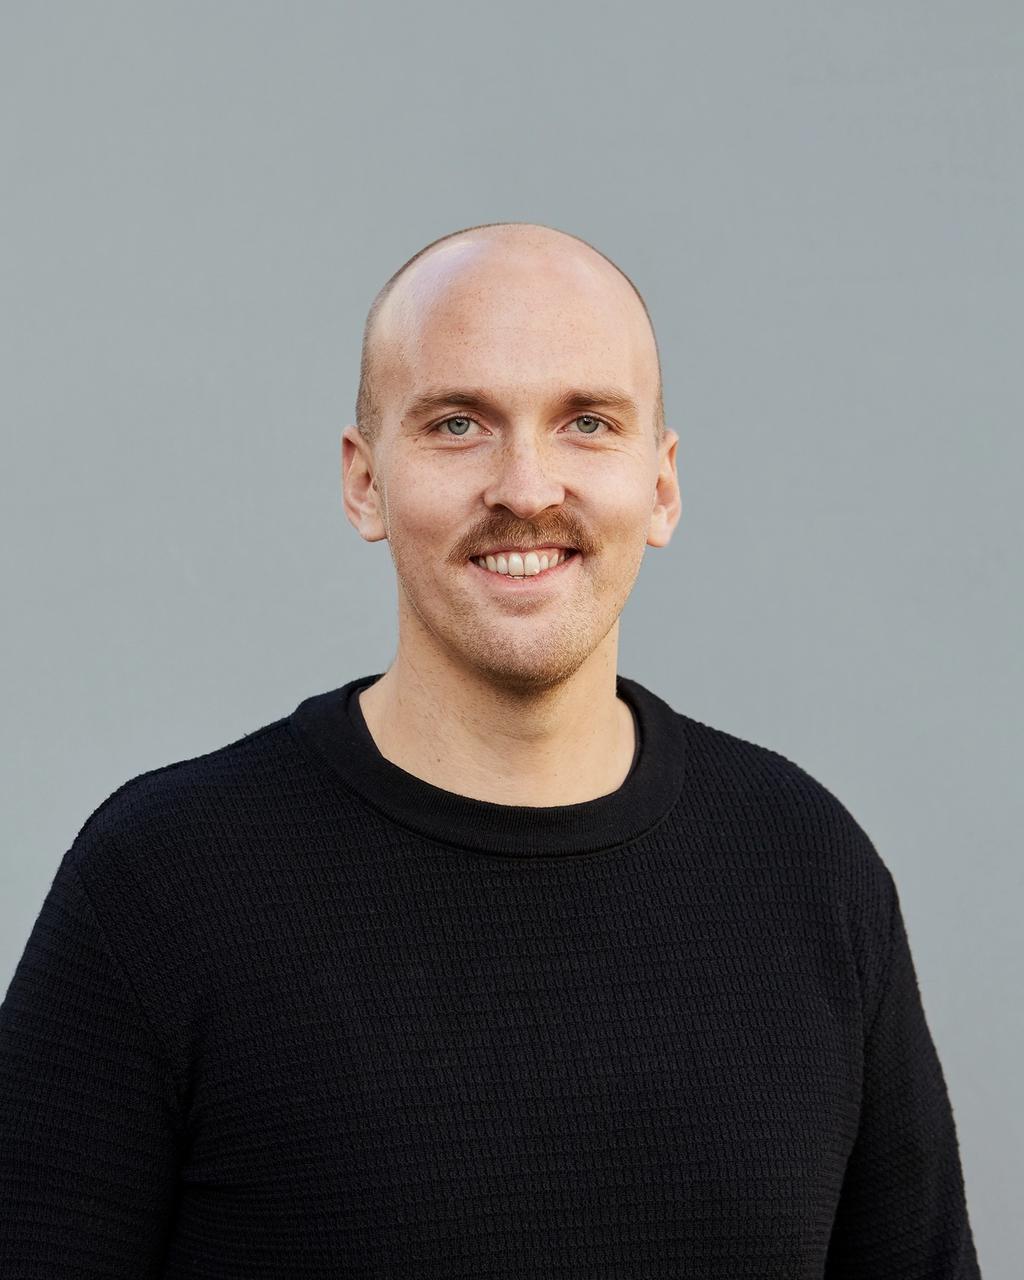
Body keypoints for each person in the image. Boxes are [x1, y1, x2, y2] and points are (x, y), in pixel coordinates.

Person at [0, 221, 981, 1277]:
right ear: (364, 482)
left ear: (660, 486)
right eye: (459, 423)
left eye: (587, 423)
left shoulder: (807, 866)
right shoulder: (163, 881)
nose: (525, 486)